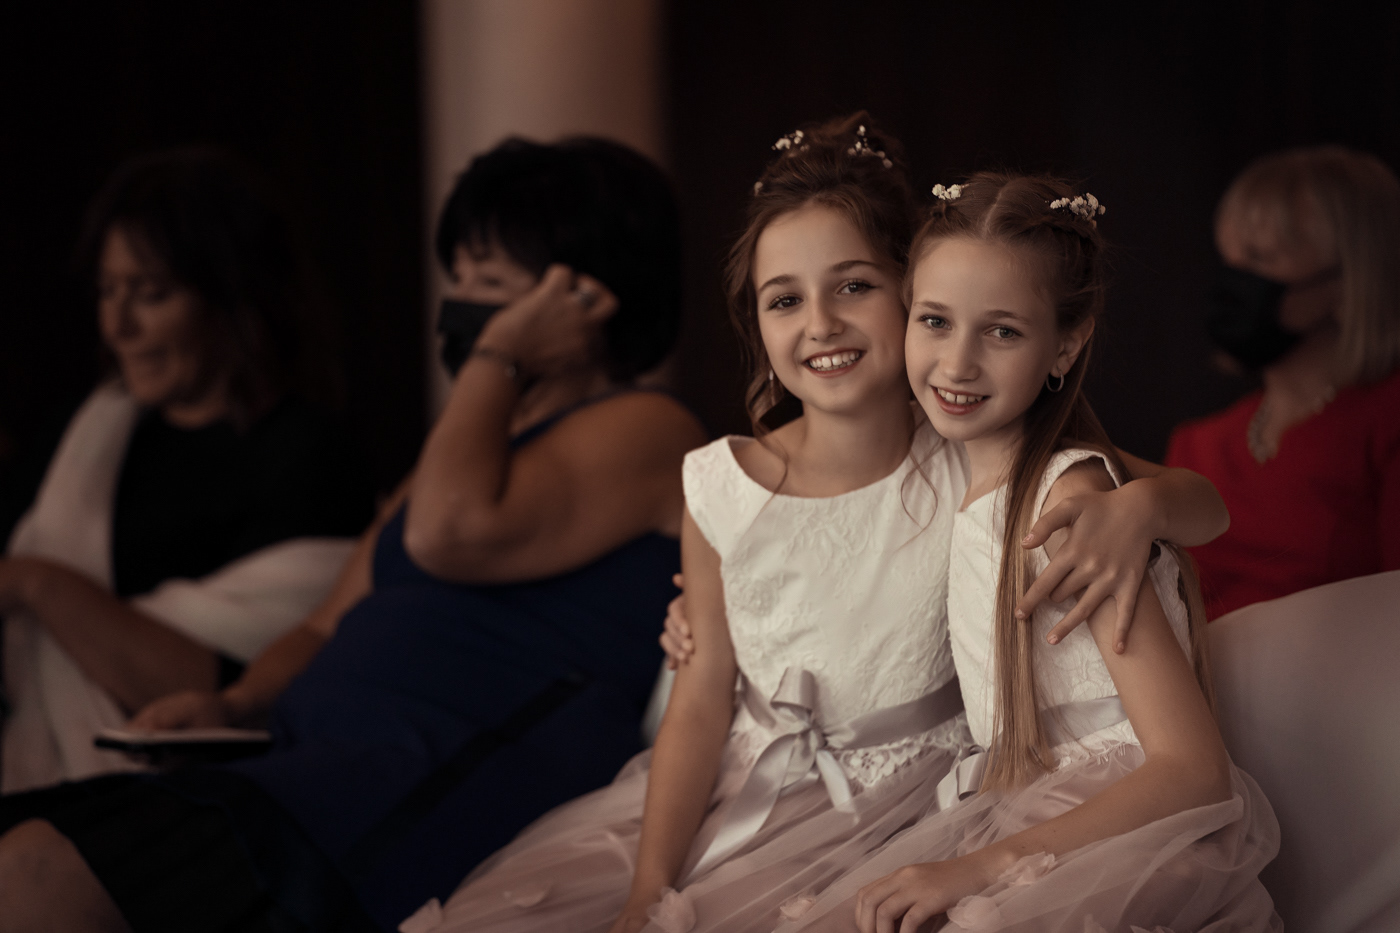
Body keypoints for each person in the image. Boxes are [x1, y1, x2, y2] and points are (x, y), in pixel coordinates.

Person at [402, 117, 1233, 933]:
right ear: (757, 324)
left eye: (855, 286)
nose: (822, 323)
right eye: (785, 300)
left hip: (916, 806)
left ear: (908, 292)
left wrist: (1143, 507)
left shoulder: (975, 446)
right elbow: (700, 702)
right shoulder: (726, 486)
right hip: (747, 798)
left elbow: (1195, 501)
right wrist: (651, 884)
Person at [0, 136, 706, 933]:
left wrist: (499, 356)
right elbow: (323, 624)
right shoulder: (473, 451)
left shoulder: (651, 423)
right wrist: (235, 702)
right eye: (458, 278)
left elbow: (445, 532)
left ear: (583, 304)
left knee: (32, 872)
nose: (463, 304)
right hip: (307, 768)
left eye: (490, 284)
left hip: (415, 790)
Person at [788, 173, 1280, 933]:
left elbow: (1193, 770)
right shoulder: (951, 459)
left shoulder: (1067, 502)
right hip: (1013, 804)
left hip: (1122, 832)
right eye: (935, 320)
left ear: (1066, 345)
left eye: (1003, 332)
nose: (958, 363)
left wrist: (1139, 506)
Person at [0, 148, 373, 792]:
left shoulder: (307, 457)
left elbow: (228, 690)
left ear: (231, 298)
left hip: (201, 795)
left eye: (151, 294)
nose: (119, 326)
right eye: (107, 291)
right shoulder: (87, 437)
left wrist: (38, 586)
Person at [1166, 146, 1400, 619]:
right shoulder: (1198, 447)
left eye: (1260, 259)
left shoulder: (1386, 421)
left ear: (1347, 278)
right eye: (1228, 259)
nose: (1234, 283)